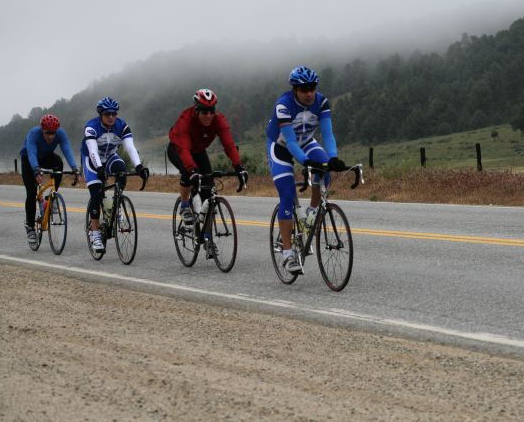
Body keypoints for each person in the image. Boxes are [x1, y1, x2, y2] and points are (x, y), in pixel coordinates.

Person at [266, 66, 345, 273]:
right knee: (287, 194)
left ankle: (311, 214)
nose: (309, 93)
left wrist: (333, 157)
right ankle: (287, 253)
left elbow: (327, 134)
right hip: (281, 146)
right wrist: (305, 161)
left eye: (312, 88)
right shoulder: (283, 105)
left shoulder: (322, 101)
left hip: (307, 141)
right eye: (304, 89)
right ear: (295, 90)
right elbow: (290, 141)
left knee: (325, 170)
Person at [168, 88, 247, 232]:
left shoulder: (218, 120)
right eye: (204, 111)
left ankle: (206, 236)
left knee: (208, 191)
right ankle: (185, 206)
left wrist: (239, 167)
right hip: (178, 148)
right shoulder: (185, 120)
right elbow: (184, 150)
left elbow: (229, 145)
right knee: (188, 172)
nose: (208, 115)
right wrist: (192, 170)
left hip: (198, 151)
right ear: (196, 110)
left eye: (212, 111)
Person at [82, 97, 150, 254]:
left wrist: (139, 166)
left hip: (110, 156)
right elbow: (92, 151)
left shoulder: (122, 126)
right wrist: (99, 168)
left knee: (122, 171)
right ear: (101, 114)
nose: (111, 117)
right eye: (107, 114)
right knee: (96, 194)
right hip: (91, 160)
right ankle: (96, 234)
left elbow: (130, 147)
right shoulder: (91, 127)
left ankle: (114, 206)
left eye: (114, 114)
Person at [20, 114, 80, 247]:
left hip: (46, 157)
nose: (51, 136)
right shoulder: (34, 134)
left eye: (53, 133)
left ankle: (50, 198)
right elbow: (31, 153)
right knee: (31, 193)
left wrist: (75, 168)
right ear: (42, 130)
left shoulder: (60, 134)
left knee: (58, 162)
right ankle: (30, 227)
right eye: (48, 133)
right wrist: (36, 170)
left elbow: (67, 149)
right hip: (29, 160)